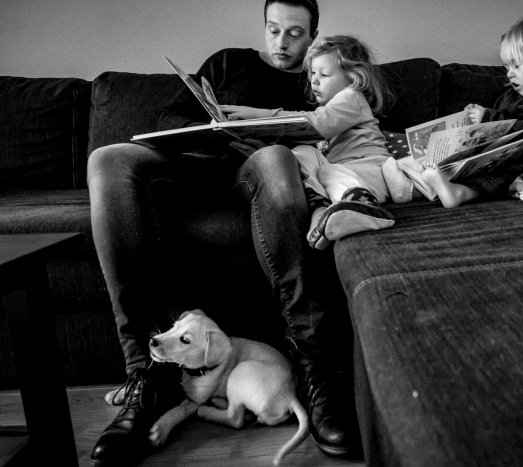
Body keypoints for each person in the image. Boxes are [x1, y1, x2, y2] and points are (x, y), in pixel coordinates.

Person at [87, 1, 360, 465]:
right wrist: (212, 132)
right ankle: (145, 377)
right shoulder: (228, 62)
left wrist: (275, 138)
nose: (282, 42)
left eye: (295, 33)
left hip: (255, 170)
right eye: (274, 29)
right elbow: (169, 119)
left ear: (313, 35)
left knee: (276, 157)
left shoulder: (317, 79)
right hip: (191, 164)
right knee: (107, 159)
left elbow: (334, 134)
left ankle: (315, 369)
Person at [223, 35, 400, 250]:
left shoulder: (351, 97)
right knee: (303, 153)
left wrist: (257, 116)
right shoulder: (330, 110)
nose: (314, 81)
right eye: (313, 73)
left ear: (353, 78)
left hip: (371, 169)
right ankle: (321, 208)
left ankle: (365, 207)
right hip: (345, 172)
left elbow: (316, 125)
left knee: (326, 170)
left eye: (324, 74)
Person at [384, 12, 523, 208]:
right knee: (461, 160)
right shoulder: (510, 95)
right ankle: (415, 181)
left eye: (516, 65)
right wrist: (475, 122)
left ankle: (457, 194)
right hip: (498, 156)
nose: (509, 74)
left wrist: (489, 118)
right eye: (506, 66)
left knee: (500, 177)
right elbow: (498, 122)